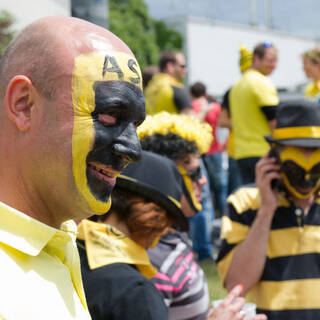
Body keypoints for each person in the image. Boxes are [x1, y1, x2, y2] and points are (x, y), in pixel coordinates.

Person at [0, 16, 145, 319]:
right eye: (110, 115)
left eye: (135, 124)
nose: (133, 149)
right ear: (24, 104)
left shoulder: (62, 234)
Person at [217, 100, 320, 319]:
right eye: (295, 168)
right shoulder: (243, 203)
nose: (306, 180)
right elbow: (237, 285)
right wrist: (266, 211)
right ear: (274, 157)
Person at [230, 41, 279, 184]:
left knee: (251, 200)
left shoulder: (237, 86)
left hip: (241, 154)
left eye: (276, 61)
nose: (273, 65)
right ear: (256, 58)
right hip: (263, 153)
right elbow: (274, 121)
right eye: (270, 60)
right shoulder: (261, 82)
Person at [190, 81, 228, 216]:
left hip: (199, 153)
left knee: (204, 190)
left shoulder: (191, 107)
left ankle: (210, 218)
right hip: (216, 150)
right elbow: (224, 127)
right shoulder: (216, 108)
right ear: (205, 93)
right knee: (221, 189)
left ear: (191, 94)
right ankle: (225, 217)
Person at [220, 44, 253, 194]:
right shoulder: (233, 91)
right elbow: (222, 121)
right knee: (239, 196)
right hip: (237, 151)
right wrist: (246, 122)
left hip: (252, 150)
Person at [144, 50, 192, 115]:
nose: (185, 70)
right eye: (182, 66)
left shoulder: (149, 88)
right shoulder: (176, 88)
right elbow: (190, 120)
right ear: (170, 66)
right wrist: (204, 110)